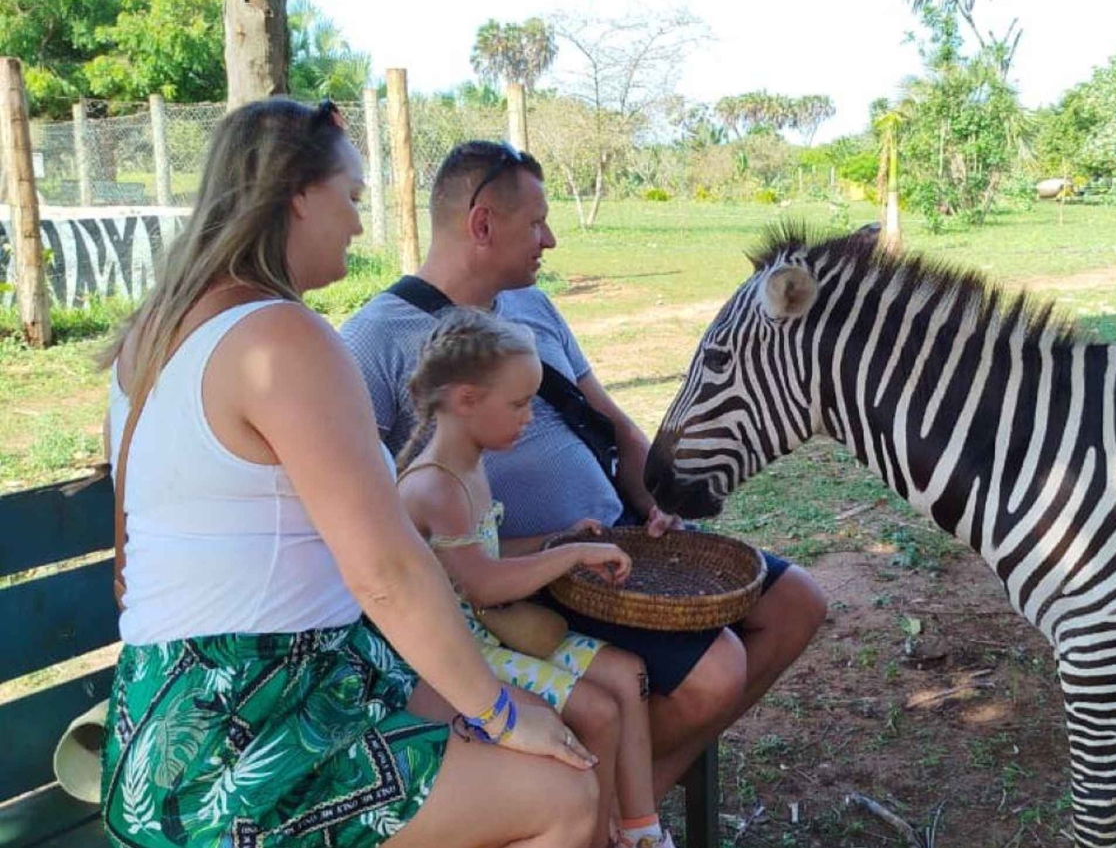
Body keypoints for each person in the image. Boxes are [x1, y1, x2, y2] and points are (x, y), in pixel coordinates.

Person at [100, 99, 597, 848]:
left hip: (178, 721)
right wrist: (496, 708)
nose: (361, 224)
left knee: (536, 728)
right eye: (353, 197)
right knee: (562, 789)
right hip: (247, 743)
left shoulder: (156, 332)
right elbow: (388, 569)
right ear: (298, 193)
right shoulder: (282, 337)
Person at [341, 140, 827, 798]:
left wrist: (651, 498)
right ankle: (614, 807)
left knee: (799, 601)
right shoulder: (374, 338)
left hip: (615, 539)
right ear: (482, 224)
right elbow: (359, 506)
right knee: (718, 671)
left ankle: (630, 795)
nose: (553, 239)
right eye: (536, 222)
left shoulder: (533, 307)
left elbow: (611, 421)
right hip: (531, 574)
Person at [395, 306, 673, 848]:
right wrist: (569, 557)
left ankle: (642, 831)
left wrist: (556, 540)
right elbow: (484, 585)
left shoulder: (471, 464)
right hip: (458, 652)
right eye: (520, 403)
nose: (529, 417)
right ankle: (594, 835)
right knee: (596, 709)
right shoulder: (437, 486)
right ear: (466, 400)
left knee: (625, 673)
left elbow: (480, 556)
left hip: (492, 632)